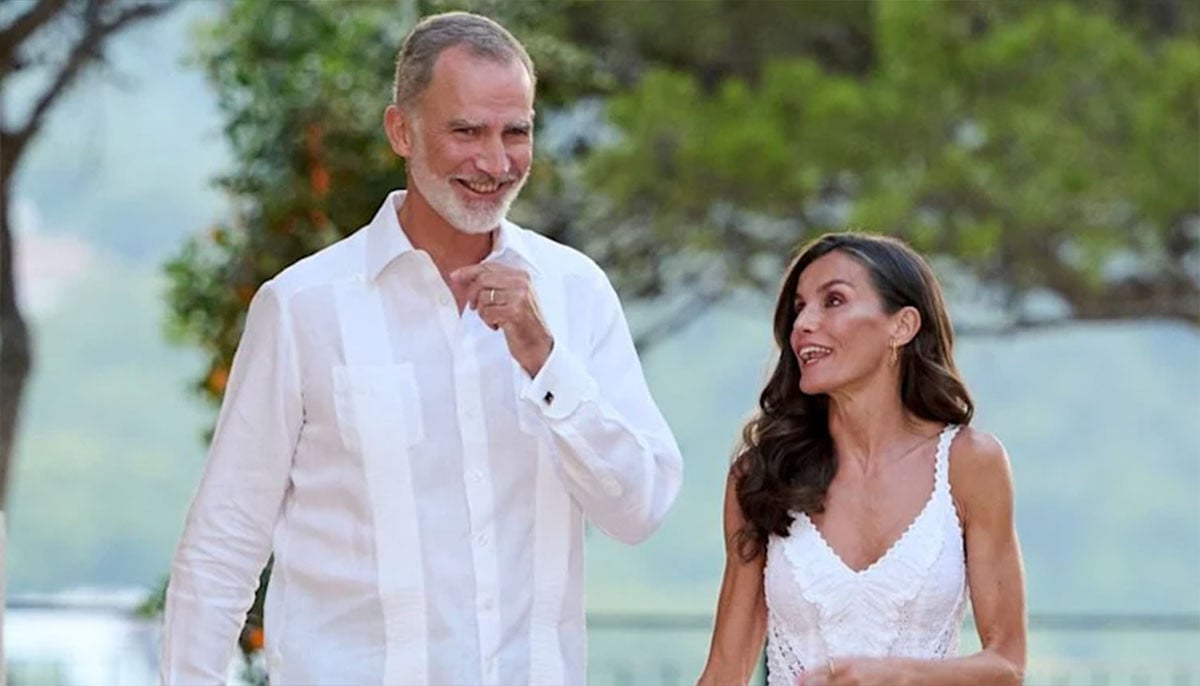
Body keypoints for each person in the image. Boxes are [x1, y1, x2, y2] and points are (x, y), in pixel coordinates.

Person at [160, 11, 683, 686]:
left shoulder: (575, 292)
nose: (495, 163)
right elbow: (223, 544)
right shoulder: (301, 307)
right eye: (466, 131)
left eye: (516, 132)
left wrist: (545, 360)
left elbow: (638, 510)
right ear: (401, 131)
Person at [697, 233, 1026, 686]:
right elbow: (724, 672)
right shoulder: (762, 475)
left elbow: (1007, 665)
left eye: (833, 301)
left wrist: (896, 676)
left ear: (902, 326)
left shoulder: (970, 463)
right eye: (799, 308)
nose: (803, 324)